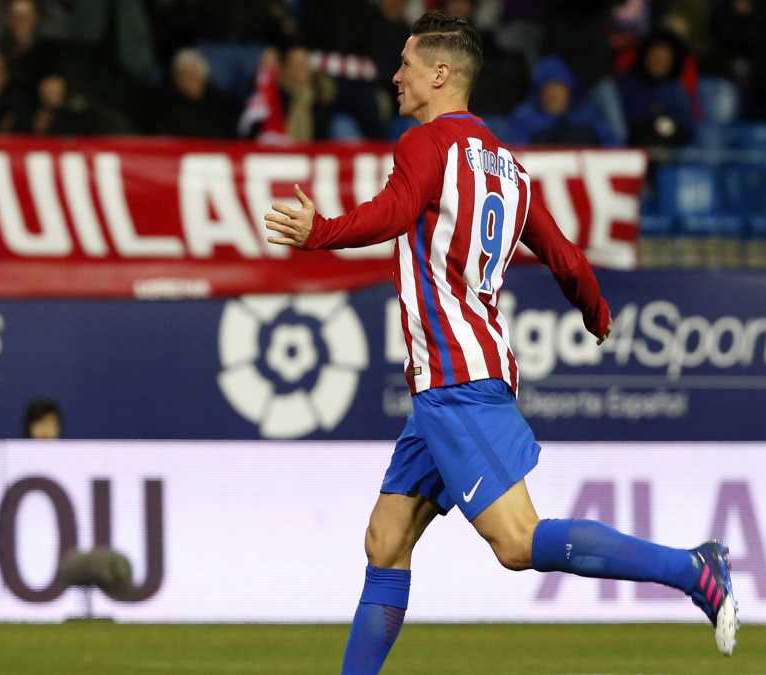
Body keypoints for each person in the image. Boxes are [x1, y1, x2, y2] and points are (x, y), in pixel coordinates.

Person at [262, 12, 738, 674]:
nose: (394, 75)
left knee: (516, 542)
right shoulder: (508, 167)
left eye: (405, 64)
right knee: (386, 541)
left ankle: (693, 568)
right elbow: (564, 255)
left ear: (440, 73)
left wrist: (323, 230)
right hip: (447, 383)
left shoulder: (424, 144)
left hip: (458, 379)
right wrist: (594, 310)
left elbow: (397, 212)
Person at [154, 48, 240, 139]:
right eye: (183, 76)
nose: (187, 82)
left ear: (204, 77)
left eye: (192, 76)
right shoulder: (166, 108)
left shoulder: (223, 106)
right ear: (175, 80)